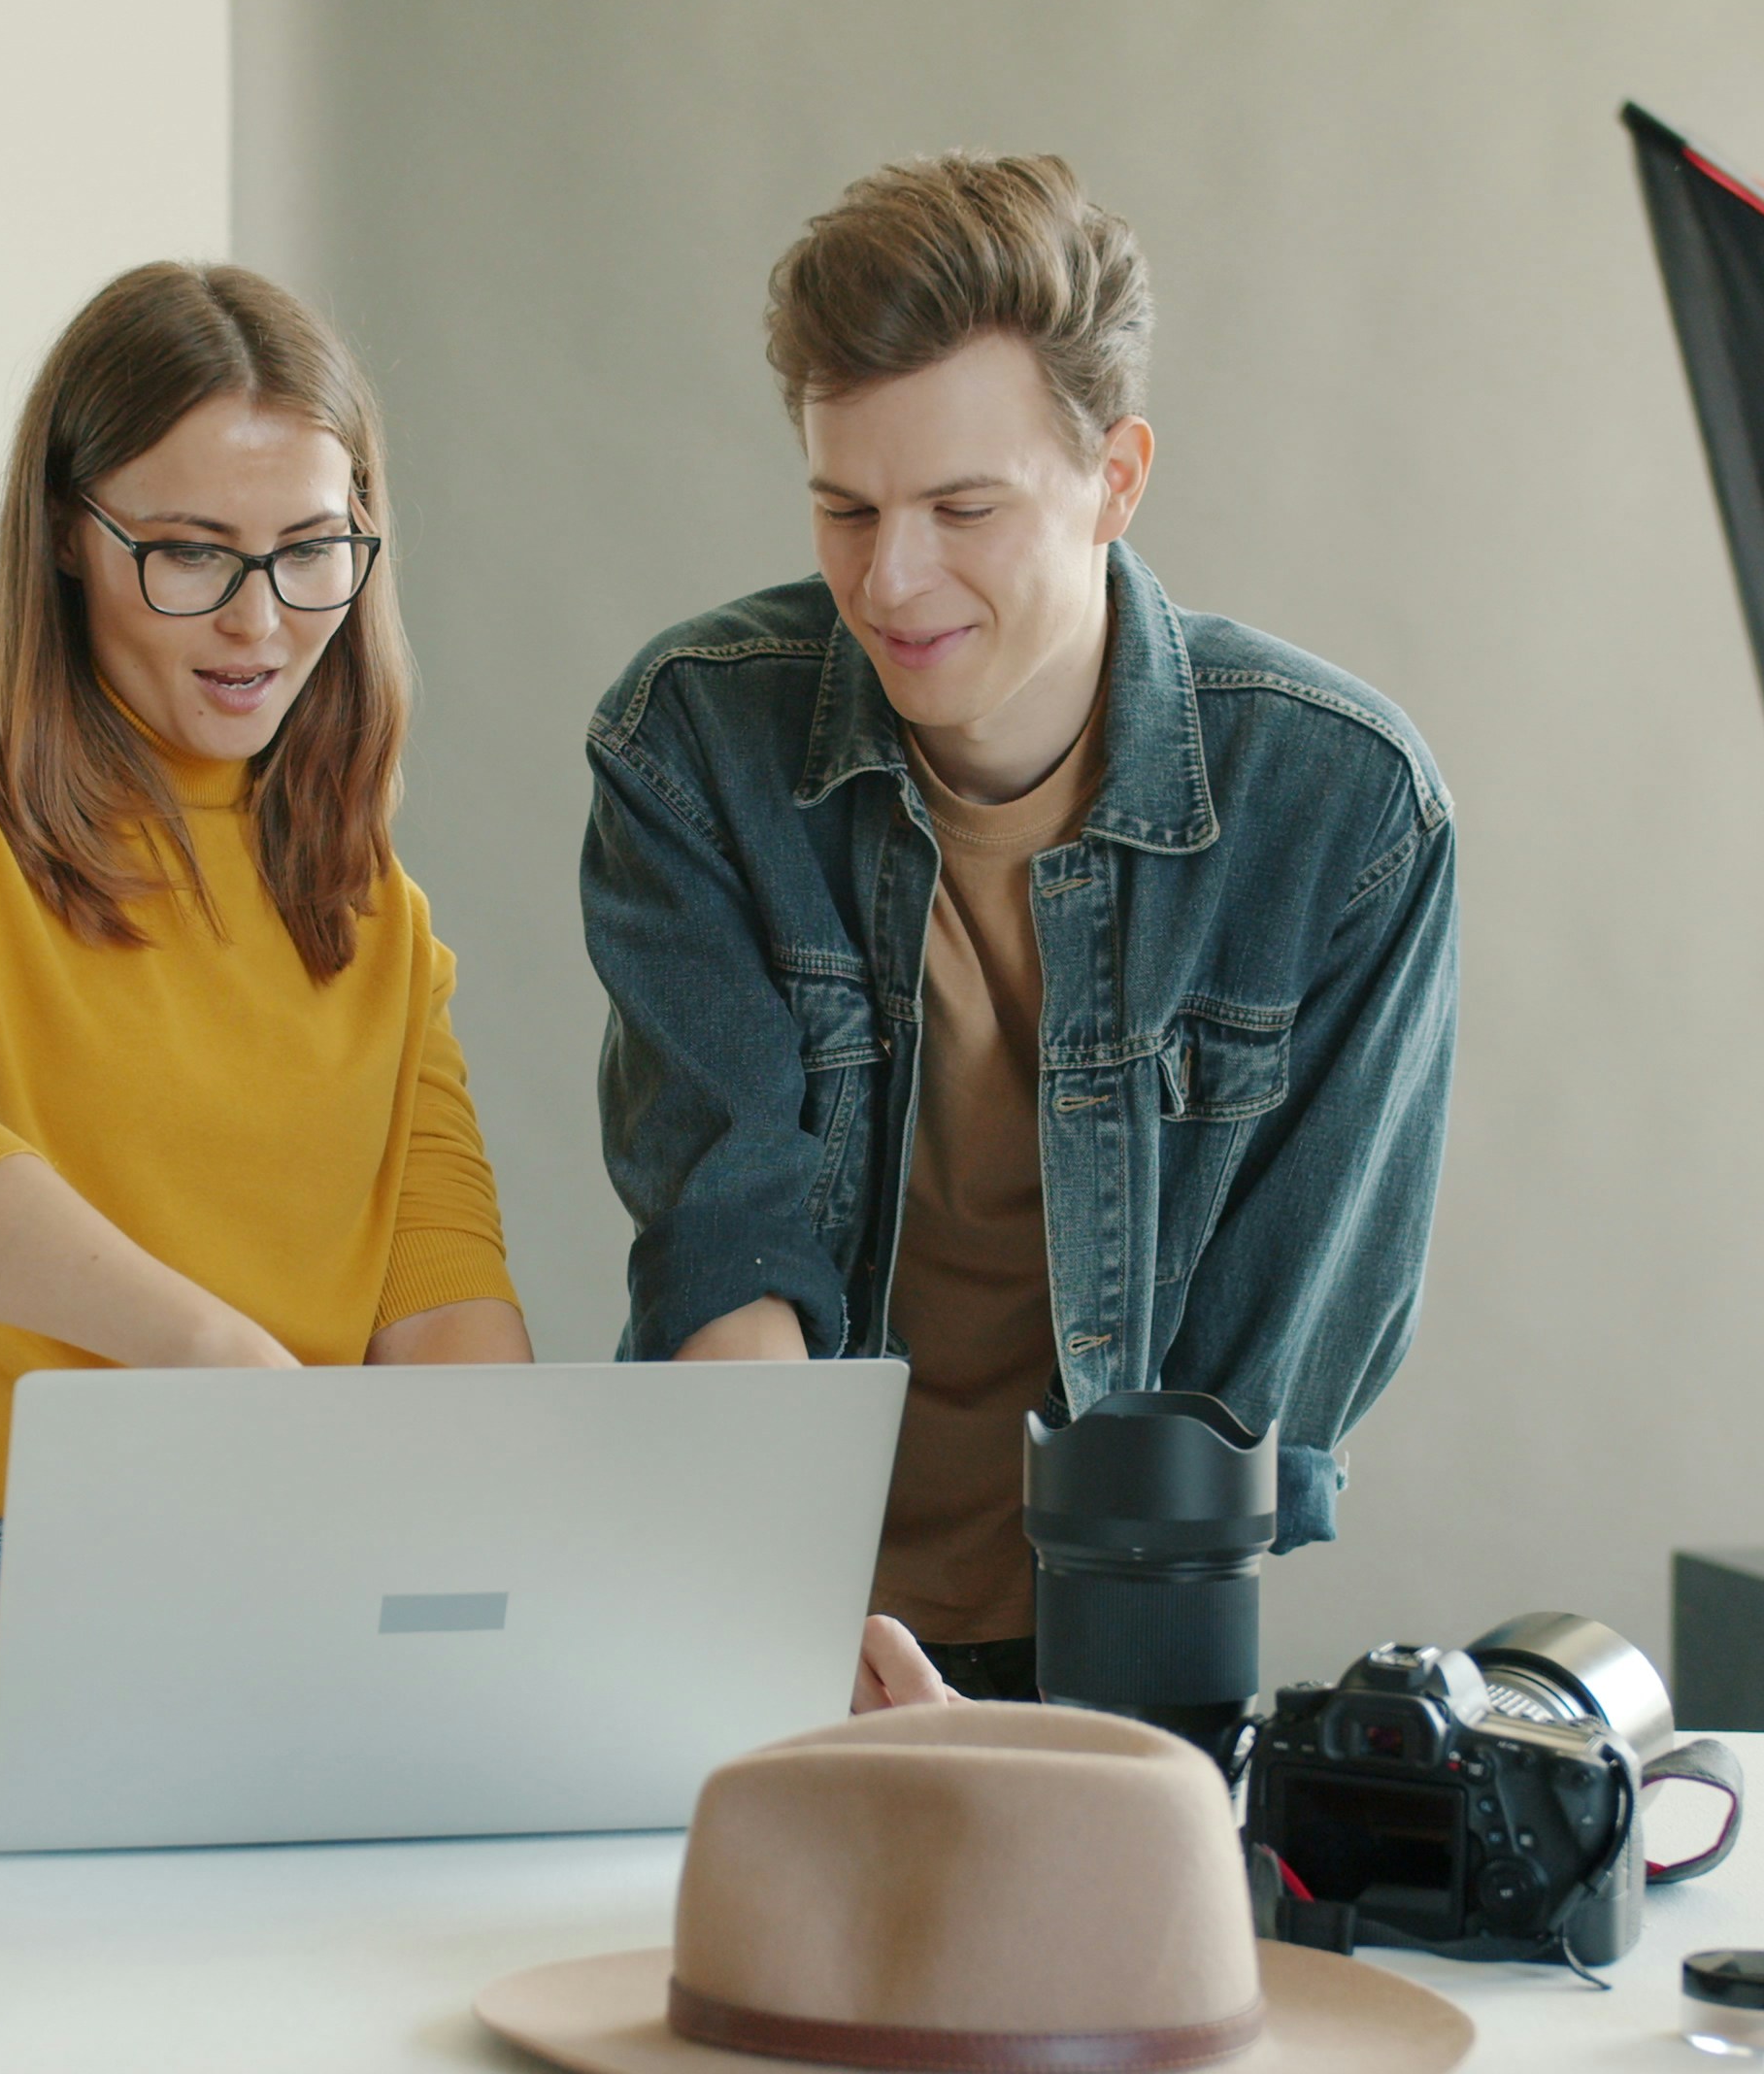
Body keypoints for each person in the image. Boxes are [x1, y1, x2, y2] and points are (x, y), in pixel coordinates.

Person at [582, 153, 1458, 1706]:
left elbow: (1270, 1367)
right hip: (771, 1603)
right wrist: (794, 1624)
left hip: (1135, 1620)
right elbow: (726, 1229)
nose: (890, 578)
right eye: (845, 508)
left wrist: (1095, 1705)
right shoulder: (692, 745)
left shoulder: (1345, 813)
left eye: (962, 508)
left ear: (1117, 476)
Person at [0, 261, 529, 1703]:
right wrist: (214, 1362)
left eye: (311, 550)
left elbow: (436, 1282)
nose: (259, 620)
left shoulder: (370, 903)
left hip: (298, 1559)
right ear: (68, 534)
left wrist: (509, 1534)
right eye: (189, 554)